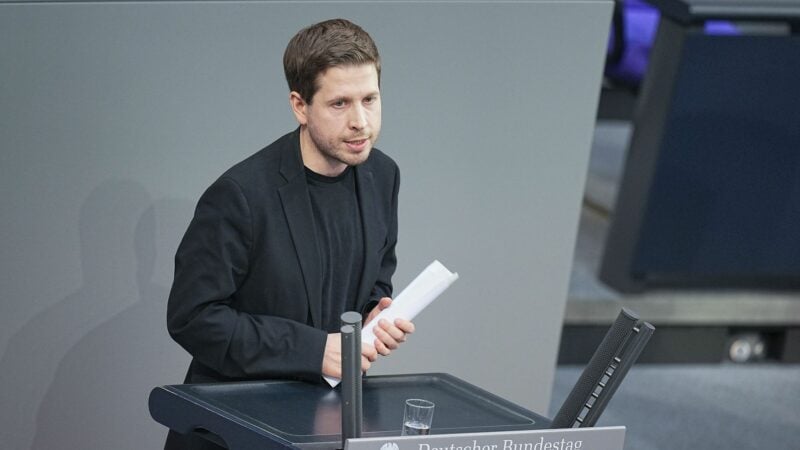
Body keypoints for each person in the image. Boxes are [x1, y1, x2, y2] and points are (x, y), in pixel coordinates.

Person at [164, 18, 414, 450]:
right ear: (300, 105)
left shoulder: (382, 175)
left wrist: (373, 318)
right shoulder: (240, 195)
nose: (361, 121)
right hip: (235, 428)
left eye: (370, 99)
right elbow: (194, 317)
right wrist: (314, 350)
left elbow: (375, 277)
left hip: (324, 424)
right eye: (340, 104)